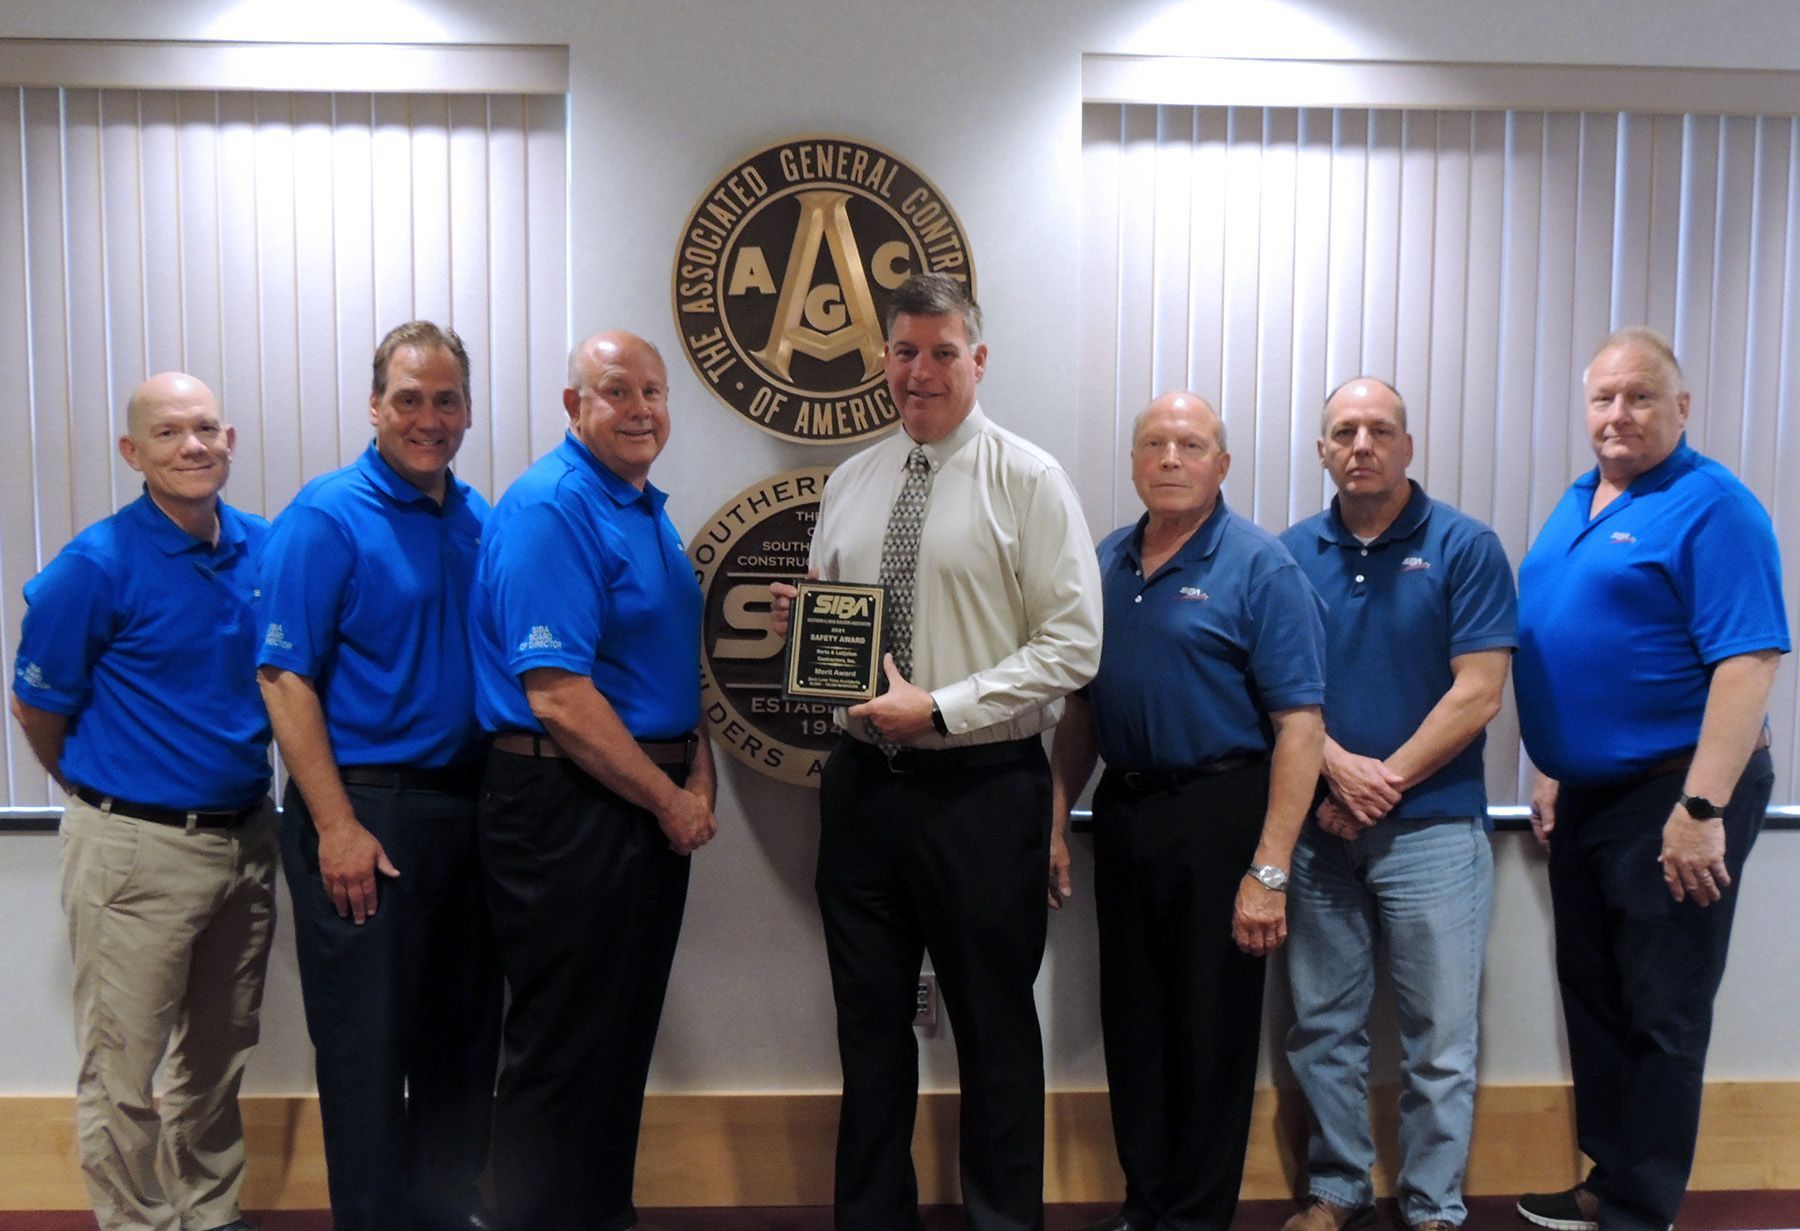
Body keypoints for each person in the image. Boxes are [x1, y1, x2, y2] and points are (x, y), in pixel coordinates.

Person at [771, 272, 1102, 1231]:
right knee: (869, 1035)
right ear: (884, 359)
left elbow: (1074, 646)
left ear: (978, 360)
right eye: (906, 351)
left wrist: (945, 708)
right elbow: (847, 634)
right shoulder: (850, 480)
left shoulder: (1029, 479)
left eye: (943, 352)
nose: (922, 372)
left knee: (995, 1032)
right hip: (864, 789)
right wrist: (810, 625)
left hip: (983, 791)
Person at [1513, 328, 1788, 1231]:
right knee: (1594, 993)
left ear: (1682, 406)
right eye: (1602, 398)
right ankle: (1609, 1175)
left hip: (1676, 793)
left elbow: (1747, 663)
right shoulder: (1580, 498)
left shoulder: (1716, 507)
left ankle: (1642, 1208)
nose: (1617, 414)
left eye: (1638, 396)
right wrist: (1554, 765)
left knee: (1662, 1008)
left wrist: (1701, 808)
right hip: (1590, 794)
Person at [1048, 390, 1326, 1231]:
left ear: (1222, 464)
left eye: (1192, 444)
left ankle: (1196, 1216)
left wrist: (1268, 868)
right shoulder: (1103, 561)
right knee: (1133, 1021)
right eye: (1155, 444)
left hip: (1223, 813)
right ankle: (1148, 1200)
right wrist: (1055, 815)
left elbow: (1301, 728)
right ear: (1134, 462)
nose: (1172, 457)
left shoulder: (1261, 566)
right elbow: (1082, 711)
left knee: (1211, 1030)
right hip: (1128, 812)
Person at [10, 373, 275, 1231]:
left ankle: (209, 1210)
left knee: (218, 1054)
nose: (192, 446)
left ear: (229, 439)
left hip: (246, 840)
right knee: (123, 1069)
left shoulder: (264, 549)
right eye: (168, 433)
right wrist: (105, 798)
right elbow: (37, 705)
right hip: (134, 848)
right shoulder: (94, 565)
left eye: (205, 428)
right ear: (133, 452)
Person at [470, 330, 718, 1231]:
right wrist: (669, 799)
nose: (642, 407)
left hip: (636, 805)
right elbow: (560, 697)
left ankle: (600, 1215)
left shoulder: (641, 506)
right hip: (565, 807)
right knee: (562, 1045)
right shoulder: (553, 507)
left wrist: (693, 769)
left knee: (617, 1038)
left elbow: (652, 667)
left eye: (654, 390)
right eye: (617, 390)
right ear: (573, 406)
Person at [257, 321, 499, 1231]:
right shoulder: (324, 518)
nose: (428, 418)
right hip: (363, 809)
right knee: (367, 1048)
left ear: (467, 409)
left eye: (445, 400)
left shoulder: (479, 518)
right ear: (374, 405)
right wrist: (336, 825)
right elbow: (283, 679)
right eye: (408, 398)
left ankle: (446, 1210)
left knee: (463, 1037)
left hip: (467, 808)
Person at [1276, 378, 1516, 1231]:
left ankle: (1432, 1206)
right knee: (1322, 1028)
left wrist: (1381, 785)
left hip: (1436, 833)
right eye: (1344, 430)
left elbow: (1479, 691)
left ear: (1408, 446)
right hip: (1317, 832)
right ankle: (1337, 1189)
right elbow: (1273, 692)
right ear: (1322, 450)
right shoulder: (1288, 553)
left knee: (1439, 1043)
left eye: (1380, 429)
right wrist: (1337, 769)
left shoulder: (1465, 545)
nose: (1362, 444)